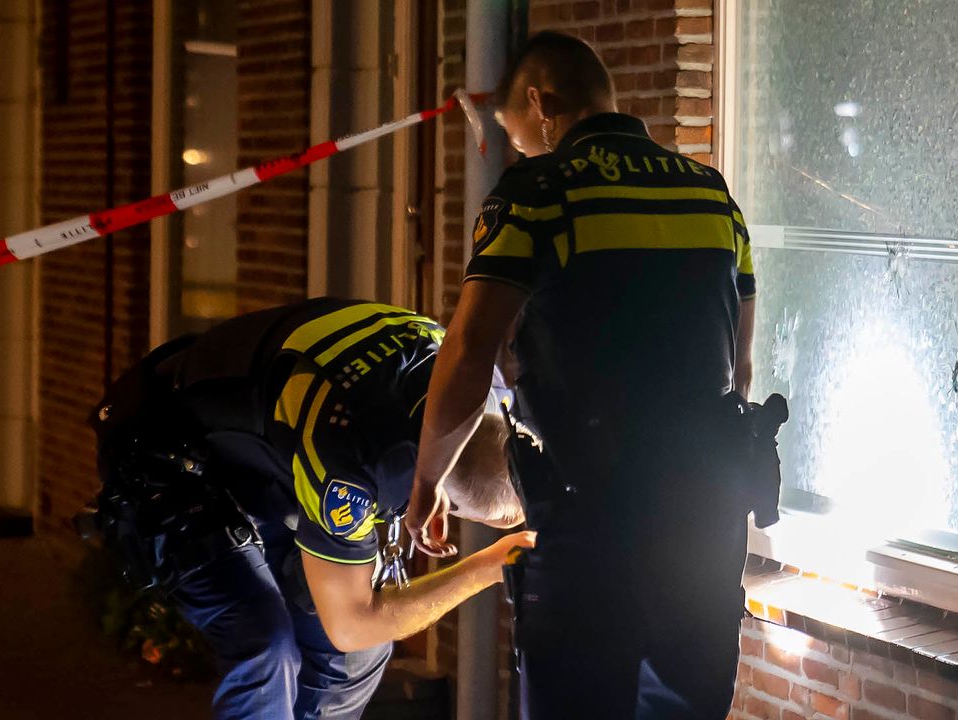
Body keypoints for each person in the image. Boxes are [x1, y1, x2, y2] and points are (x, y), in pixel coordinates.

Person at [405, 31, 758, 720]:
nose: (523, 151)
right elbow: (737, 370)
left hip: (592, 524)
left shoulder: (540, 192)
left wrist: (427, 481)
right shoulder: (712, 197)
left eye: (518, 136)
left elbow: (471, 350)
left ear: (540, 103)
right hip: (705, 526)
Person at [88, 298, 533, 720]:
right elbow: (351, 623)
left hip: (269, 455)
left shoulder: (482, 388)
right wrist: (491, 566)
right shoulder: (352, 465)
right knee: (265, 643)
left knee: (355, 654)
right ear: (439, 504)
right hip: (169, 461)